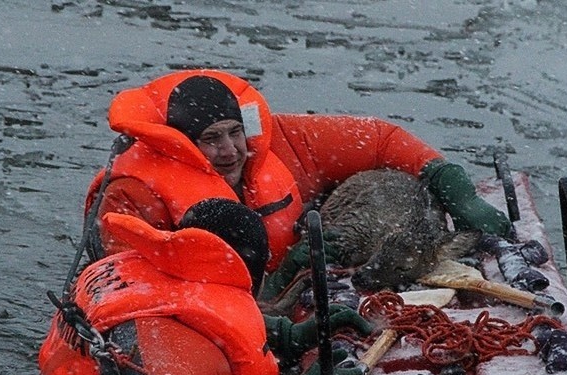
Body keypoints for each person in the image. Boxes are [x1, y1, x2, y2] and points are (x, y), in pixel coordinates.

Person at [82, 69, 513, 300]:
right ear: (182, 146)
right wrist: (278, 320)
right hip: (217, 301)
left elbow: (381, 140)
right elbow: (137, 288)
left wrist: (454, 186)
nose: (230, 150)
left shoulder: (283, 141)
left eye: (234, 132)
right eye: (210, 140)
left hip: (288, 283)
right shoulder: (133, 193)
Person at [39, 199, 370, 375]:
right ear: (252, 270)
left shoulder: (156, 273)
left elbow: (188, 313)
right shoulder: (171, 342)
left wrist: (288, 336)